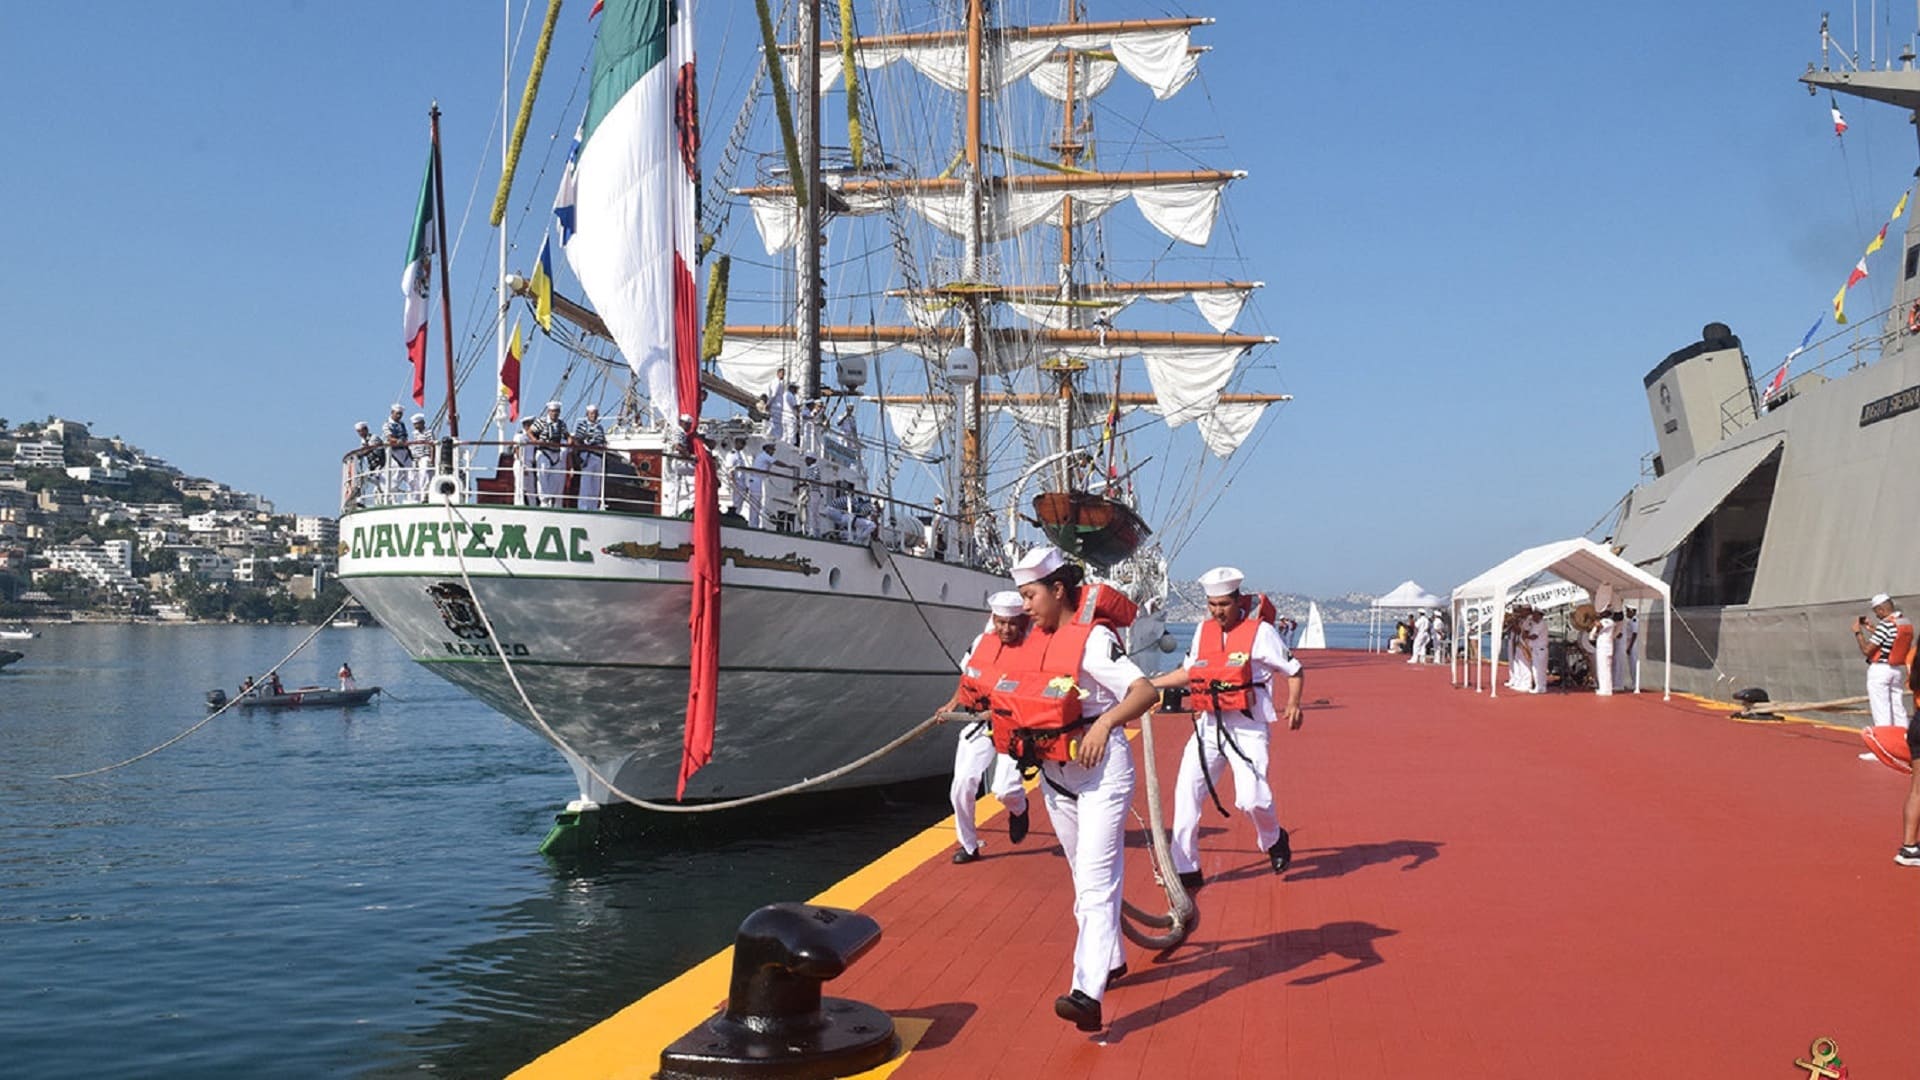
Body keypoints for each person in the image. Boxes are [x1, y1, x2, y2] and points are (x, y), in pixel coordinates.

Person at [991, 546, 1158, 1033]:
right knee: (1083, 882)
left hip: (1102, 772)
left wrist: (1105, 723)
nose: (1025, 606)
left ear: (1058, 590)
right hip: (1055, 777)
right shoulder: (1032, 639)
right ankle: (1114, 957)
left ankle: (1087, 992)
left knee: (1094, 882)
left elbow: (1144, 690)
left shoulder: (1094, 640)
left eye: (1030, 595)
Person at [1149, 567, 1304, 893]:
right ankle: (1186, 868)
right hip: (1207, 727)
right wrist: (1150, 685)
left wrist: (1293, 703)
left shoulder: (1260, 633)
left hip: (1247, 729)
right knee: (1186, 795)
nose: (1217, 611)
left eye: (1223, 604)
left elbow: (1294, 670)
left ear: (1238, 602)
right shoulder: (1203, 631)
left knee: (1251, 800)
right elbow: (1188, 673)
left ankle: (1274, 837)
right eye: (1212, 604)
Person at [934, 590, 1032, 863]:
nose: (1006, 629)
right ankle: (969, 845)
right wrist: (952, 705)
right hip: (979, 723)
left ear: (1022, 622)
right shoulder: (981, 642)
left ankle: (1019, 808)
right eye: (1001, 622)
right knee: (962, 785)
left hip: (1014, 727)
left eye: (1012, 623)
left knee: (1004, 789)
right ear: (993, 619)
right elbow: (969, 676)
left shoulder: (1032, 649)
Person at [1855, 593, 1914, 733]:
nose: (1876, 615)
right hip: (1895, 670)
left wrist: (1858, 633)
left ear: (1881, 609)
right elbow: (1891, 639)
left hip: (1880, 671)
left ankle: (1883, 746)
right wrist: (1873, 629)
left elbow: (1867, 650)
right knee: (1898, 708)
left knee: (1881, 709)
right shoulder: (1903, 623)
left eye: (1876, 611)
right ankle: (1905, 743)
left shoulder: (1885, 625)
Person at [572, 404, 608, 511]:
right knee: (586, 483)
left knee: (596, 483)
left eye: (595, 413)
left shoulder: (600, 427)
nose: (593, 415)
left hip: (598, 456)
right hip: (588, 455)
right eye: (591, 413)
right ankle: (583, 506)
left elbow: (602, 440)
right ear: (587, 414)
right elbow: (578, 440)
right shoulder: (583, 425)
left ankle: (593, 506)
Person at [382, 404, 413, 501]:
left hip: (404, 452)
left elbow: (405, 435)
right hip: (394, 453)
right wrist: (397, 441)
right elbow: (389, 437)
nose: (399, 416)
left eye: (401, 414)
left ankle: (413, 496)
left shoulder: (401, 424)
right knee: (396, 475)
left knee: (412, 475)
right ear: (392, 413)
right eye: (397, 414)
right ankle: (391, 498)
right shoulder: (387, 424)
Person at [409, 413, 435, 498]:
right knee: (415, 477)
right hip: (416, 458)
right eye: (414, 424)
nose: (415, 426)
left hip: (425, 457)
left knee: (425, 476)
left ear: (422, 423)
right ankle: (417, 495)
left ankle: (424, 495)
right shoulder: (415, 433)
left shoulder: (428, 432)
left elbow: (432, 446)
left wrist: (432, 459)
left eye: (417, 424)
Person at [1617, 607, 1640, 692]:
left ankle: (1635, 683)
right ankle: (1633, 682)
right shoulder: (1630, 621)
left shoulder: (1634, 621)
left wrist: (1630, 647)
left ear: (1632, 611)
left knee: (1634, 664)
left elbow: (1634, 634)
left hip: (1633, 645)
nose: (1626, 613)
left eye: (1627, 611)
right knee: (1631, 665)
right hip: (1629, 643)